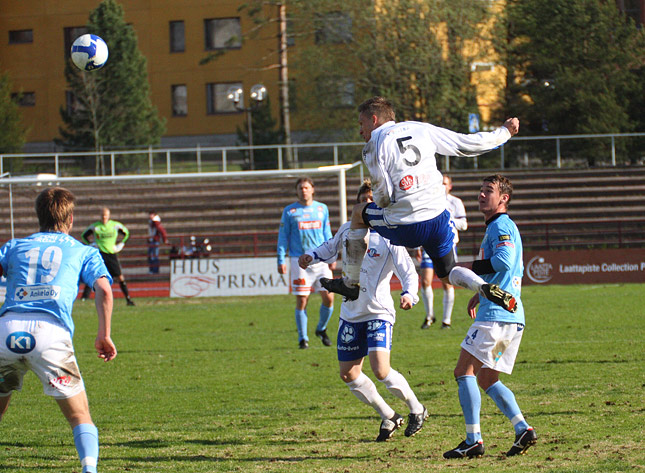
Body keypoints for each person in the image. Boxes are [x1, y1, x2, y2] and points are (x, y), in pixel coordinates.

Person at [320, 96, 519, 316]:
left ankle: (349, 282)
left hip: (406, 225)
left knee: (358, 213)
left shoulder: (373, 146)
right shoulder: (421, 128)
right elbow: (467, 144)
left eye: (361, 124)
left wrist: (392, 205)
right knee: (447, 272)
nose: (361, 131)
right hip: (438, 219)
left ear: (374, 120)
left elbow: (383, 196)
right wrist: (505, 132)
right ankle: (483, 287)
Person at [299, 180, 426, 441]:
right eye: (363, 199)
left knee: (381, 369)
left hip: (378, 312)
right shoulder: (347, 230)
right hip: (350, 314)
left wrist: (409, 294)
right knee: (348, 373)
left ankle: (417, 408)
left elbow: (407, 272)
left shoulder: (391, 235)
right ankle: (388, 415)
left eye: (372, 199)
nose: (368, 204)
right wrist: (311, 256)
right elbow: (329, 248)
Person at [0, 187, 117, 473]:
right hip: (51, 334)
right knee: (80, 416)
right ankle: (89, 469)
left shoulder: (13, 246)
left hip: (6, 330)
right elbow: (103, 289)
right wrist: (104, 335)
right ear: (71, 219)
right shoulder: (83, 250)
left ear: (38, 215)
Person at [443, 174, 536, 459]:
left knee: (463, 372)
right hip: (509, 316)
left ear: (504, 198)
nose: (482, 195)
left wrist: (469, 269)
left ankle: (473, 440)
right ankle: (522, 429)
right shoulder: (497, 226)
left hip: (496, 317)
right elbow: (508, 272)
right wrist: (479, 291)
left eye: (489, 191)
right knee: (486, 377)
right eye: (481, 190)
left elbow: (504, 262)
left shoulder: (501, 225)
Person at [277, 177, 335, 349]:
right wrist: (281, 259)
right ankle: (303, 339)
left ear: (312, 189)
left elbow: (327, 234)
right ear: (297, 191)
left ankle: (321, 329)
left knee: (329, 298)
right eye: (300, 188)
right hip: (298, 260)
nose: (304, 190)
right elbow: (282, 237)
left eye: (306, 187)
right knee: (302, 300)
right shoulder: (290, 211)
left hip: (321, 259)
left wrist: (331, 257)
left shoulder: (322, 209)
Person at [419, 175, 467, 329]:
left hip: (447, 244)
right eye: (440, 183)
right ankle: (429, 316)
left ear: (450, 186)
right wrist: (418, 246)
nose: (442, 186)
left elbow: (464, 224)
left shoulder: (455, 202)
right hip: (428, 244)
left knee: (447, 281)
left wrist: (447, 221)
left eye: (445, 183)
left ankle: (446, 320)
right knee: (425, 280)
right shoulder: (428, 201)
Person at [81, 207, 135, 306]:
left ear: (109, 216)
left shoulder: (115, 225)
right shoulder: (95, 227)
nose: (104, 217)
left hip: (111, 254)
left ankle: (128, 298)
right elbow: (84, 235)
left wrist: (121, 244)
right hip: (100, 254)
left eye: (106, 215)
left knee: (119, 276)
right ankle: (84, 298)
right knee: (94, 275)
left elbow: (127, 234)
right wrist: (91, 244)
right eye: (102, 215)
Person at [148, 210, 169, 274]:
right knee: (151, 256)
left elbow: (162, 231)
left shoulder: (156, 222)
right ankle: (153, 270)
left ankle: (154, 270)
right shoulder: (152, 222)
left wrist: (164, 239)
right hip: (152, 240)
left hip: (154, 240)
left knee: (154, 256)